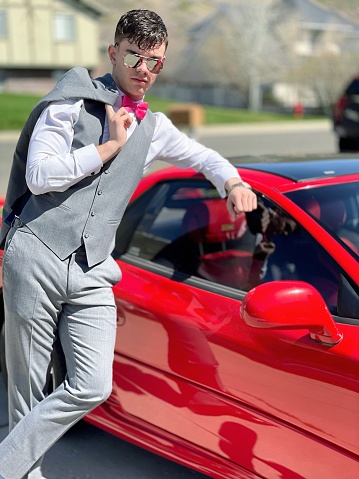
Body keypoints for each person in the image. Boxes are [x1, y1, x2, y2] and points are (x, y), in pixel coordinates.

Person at [0, 9, 257, 479]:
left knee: (93, 385)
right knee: (27, 390)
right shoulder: (69, 104)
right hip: (37, 251)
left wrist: (232, 181)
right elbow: (38, 177)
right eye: (136, 57)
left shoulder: (153, 126)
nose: (145, 70)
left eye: (155, 62)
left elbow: (203, 156)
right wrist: (105, 149)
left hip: (95, 267)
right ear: (114, 53)